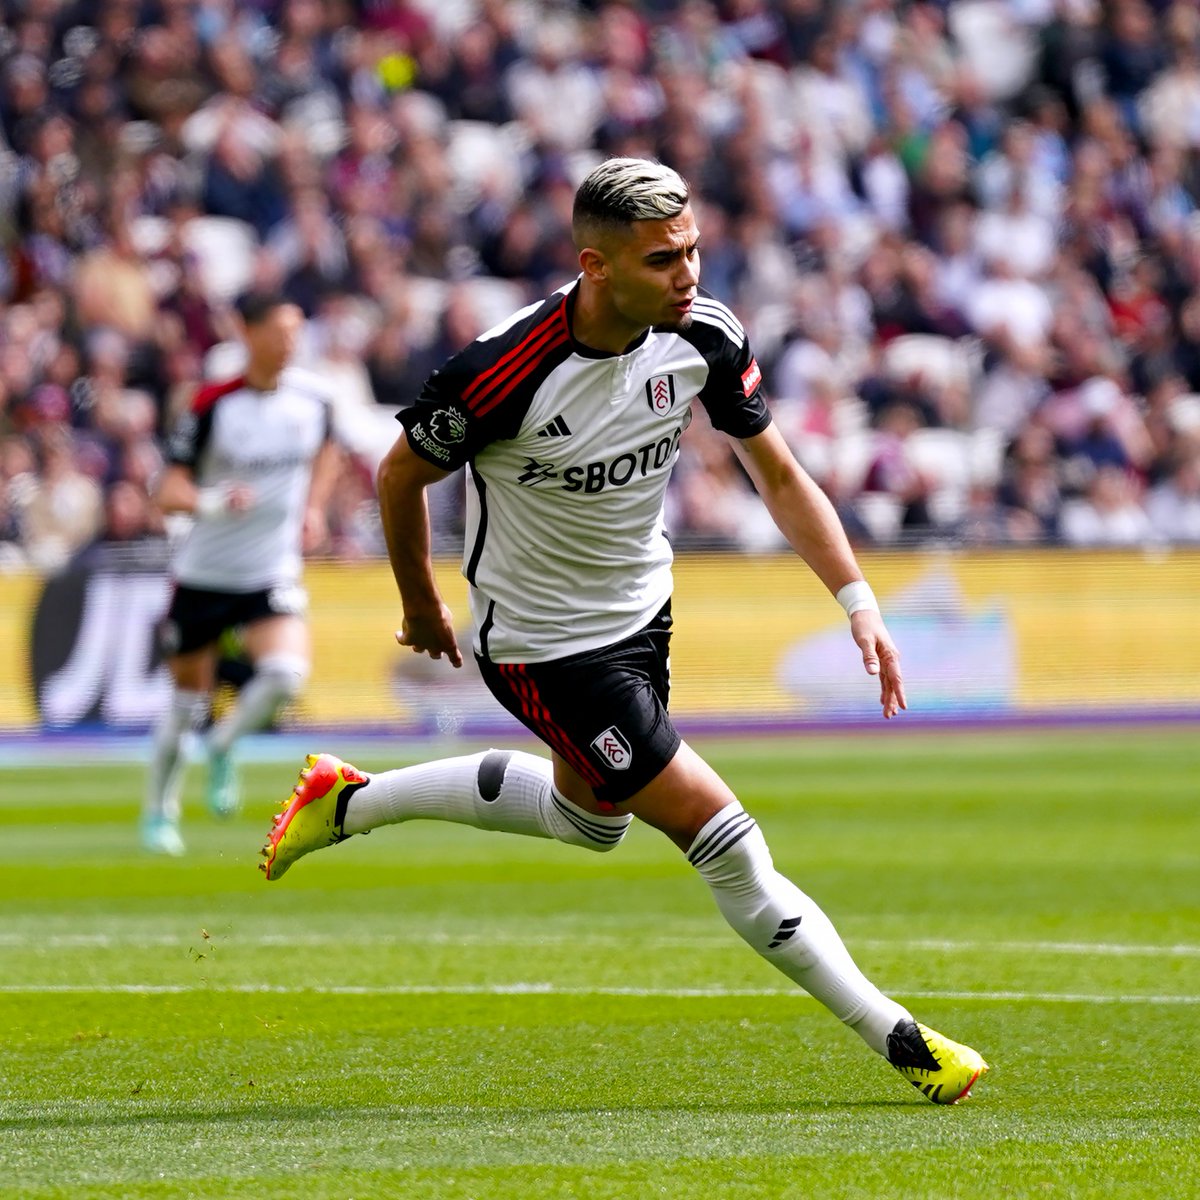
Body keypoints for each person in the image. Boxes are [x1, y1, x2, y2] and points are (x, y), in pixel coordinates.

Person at [258, 159, 989, 1104]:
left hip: (644, 614)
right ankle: (900, 1040)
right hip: (541, 645)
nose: (687, 275)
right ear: (595, 266)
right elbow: (398, 475)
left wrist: (858, 600)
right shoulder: (500, 371)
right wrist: (418, 602)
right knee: (721, 837)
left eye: (691, 251)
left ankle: (346, 801)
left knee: (588, 821)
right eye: (661, 260)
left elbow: (778, 475)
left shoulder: (706, 337)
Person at [142, 291, 340, 856]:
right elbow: (167, 492)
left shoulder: (311, 401)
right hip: (204, 573)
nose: (289, 344)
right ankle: (160, 812)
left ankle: (224, 745)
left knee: (285, 675)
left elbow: (329, 451)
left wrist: (315, 508)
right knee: (185, 703)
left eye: (296, 331)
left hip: (269, 570)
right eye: (278, 331)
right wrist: (211, 501)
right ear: (246, 334)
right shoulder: (213, 405)